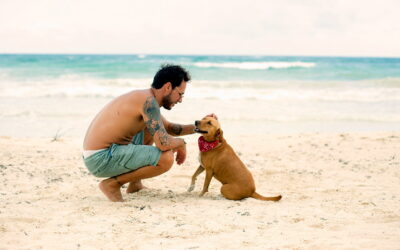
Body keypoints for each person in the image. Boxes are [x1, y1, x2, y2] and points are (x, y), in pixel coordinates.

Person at [83, 64, 206, 202]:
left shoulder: (146, 98)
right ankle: (113, 184)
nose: (181, 100)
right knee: (166, 158)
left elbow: (170, 128)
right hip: (101, 158)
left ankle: (135, 184)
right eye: (180, 94)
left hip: (102, 154)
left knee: (151, 128)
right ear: (168, 87)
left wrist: (202, 126)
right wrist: (181, 143)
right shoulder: (148, 102)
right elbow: (163, 143)